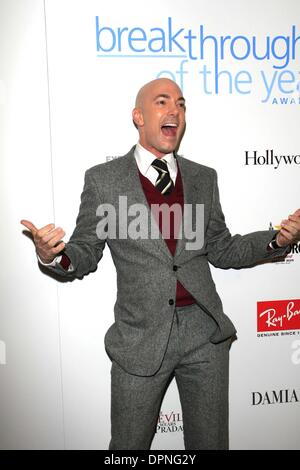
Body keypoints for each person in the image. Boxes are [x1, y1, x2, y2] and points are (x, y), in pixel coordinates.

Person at [21, 78, 300, 450]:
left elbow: (221, 249)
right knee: (128, 447)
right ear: (138, 116)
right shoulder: (105, 181)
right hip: (139, 339)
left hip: (205, 335)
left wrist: (276, 239)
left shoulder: (203, 178)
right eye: (163, 102)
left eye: (181, 105)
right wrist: (52, 254)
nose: (175, 111)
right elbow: (86, 251)